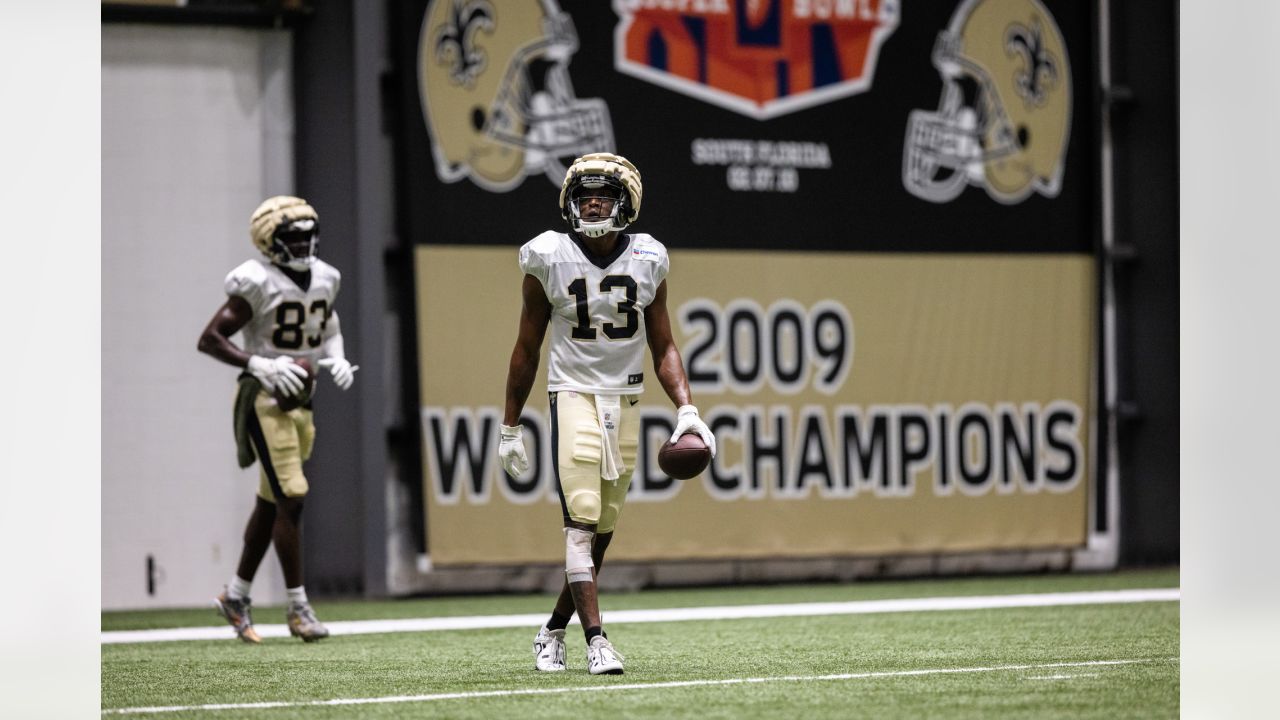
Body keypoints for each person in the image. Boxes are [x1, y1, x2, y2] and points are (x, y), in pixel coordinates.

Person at [499, 153, 716, 675]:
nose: (592, 202)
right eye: (584, 194)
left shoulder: (648, 258)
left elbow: (663, 345)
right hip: (572, 391)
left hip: (627, 397)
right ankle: (598, 642)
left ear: (627, 205)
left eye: (603, 194)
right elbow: (526, 347)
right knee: (581, 517)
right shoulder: (547, 256)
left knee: (603, 529)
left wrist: (687, 408)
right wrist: (510, 425)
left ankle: (552, 630)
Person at [197, 195, 357, 643]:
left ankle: (235, 595)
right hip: (263, 398)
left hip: (301, 399)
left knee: (272, 504)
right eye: (293, 237)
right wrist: (259, 364)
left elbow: (329, 325)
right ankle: (298, 607)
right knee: (293, 495)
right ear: (271, 242)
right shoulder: (257, 281)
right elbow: (210, 339)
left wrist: (337, 358)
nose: (304, 244)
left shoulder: (326, 278)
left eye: (308, 236)